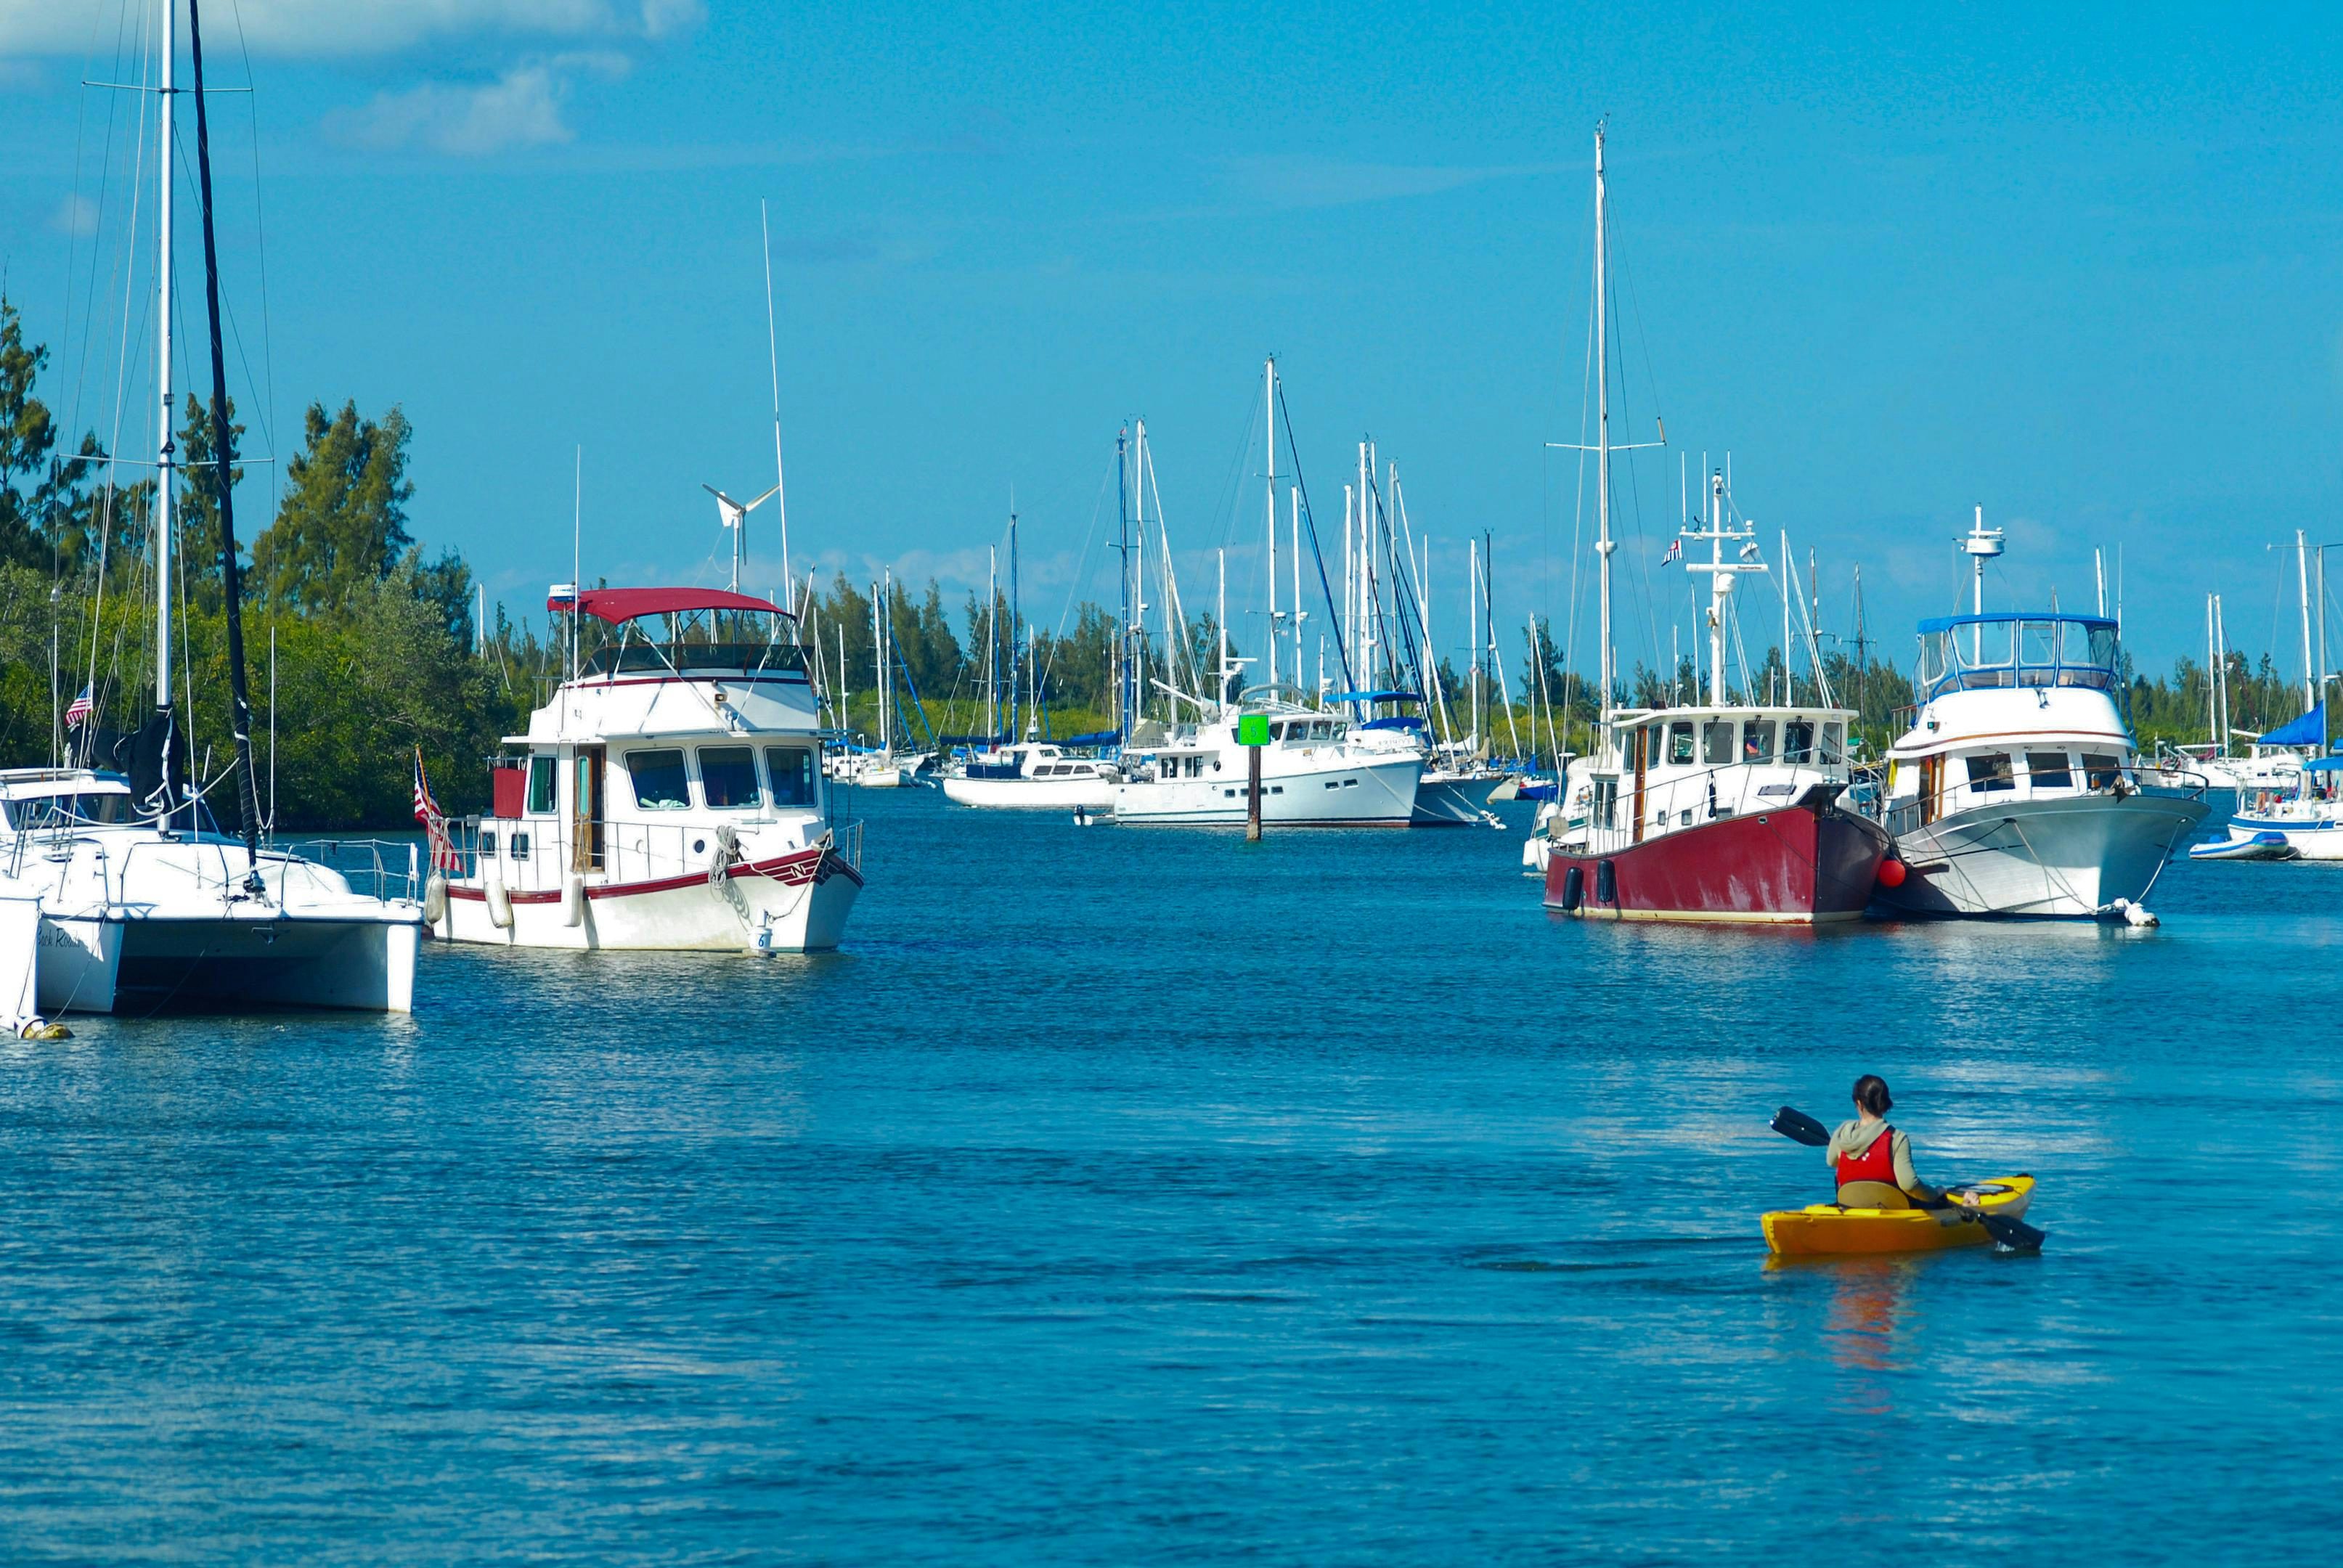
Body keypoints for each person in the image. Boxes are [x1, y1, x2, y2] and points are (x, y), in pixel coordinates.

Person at [1825, 1074, 1941, 1209]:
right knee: (1941, 1201)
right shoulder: (1897, 1138)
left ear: (1859, 1103)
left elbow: (1831, 1161)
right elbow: (1909, 1184)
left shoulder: (1842, 1133)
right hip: (1889, 1209)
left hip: (1849, 1206)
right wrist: (1935, 1194)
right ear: (1885, 1102)